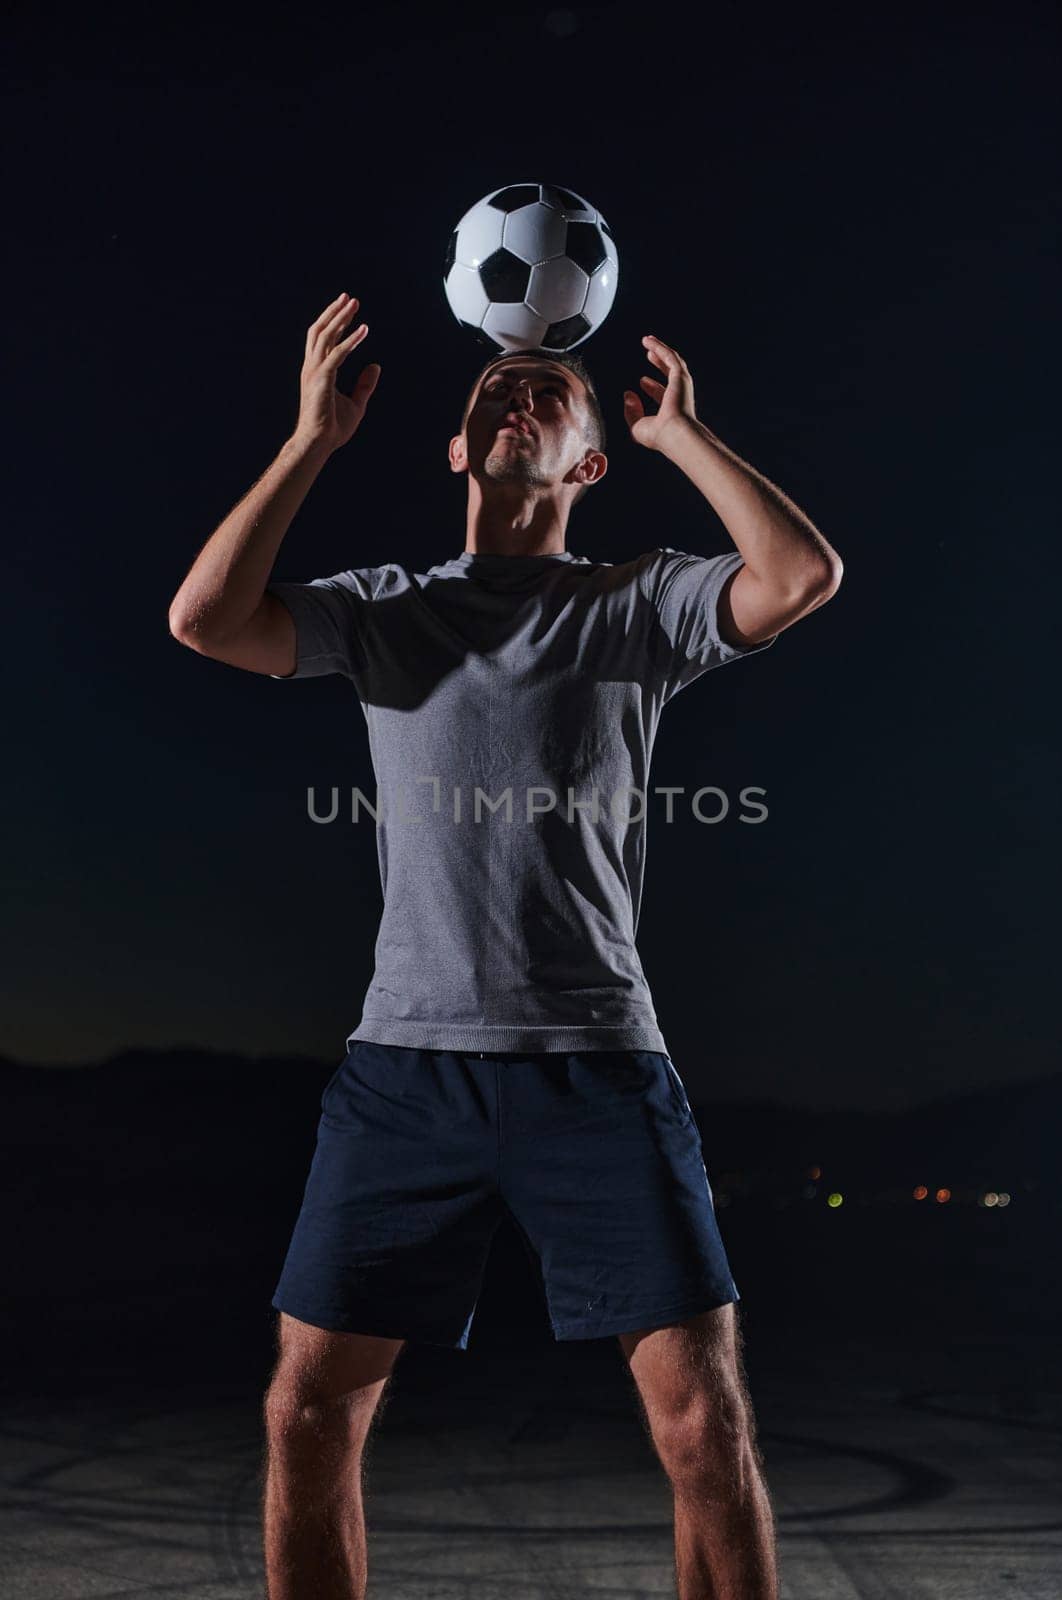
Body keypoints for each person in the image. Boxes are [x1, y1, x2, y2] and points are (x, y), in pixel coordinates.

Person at [169, 291, 843, 1599]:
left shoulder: (636, 605)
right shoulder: (384, 610)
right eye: (492, 389)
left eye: (552, 388)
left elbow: (800, 578)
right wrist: (311, 439)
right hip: (404, 1078)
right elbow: (205, 619)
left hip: (597, 1072)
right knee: (307, 1417)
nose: (513, 388)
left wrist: (688, 440)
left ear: (591, 461)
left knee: (704, 1429)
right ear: (459, 452)